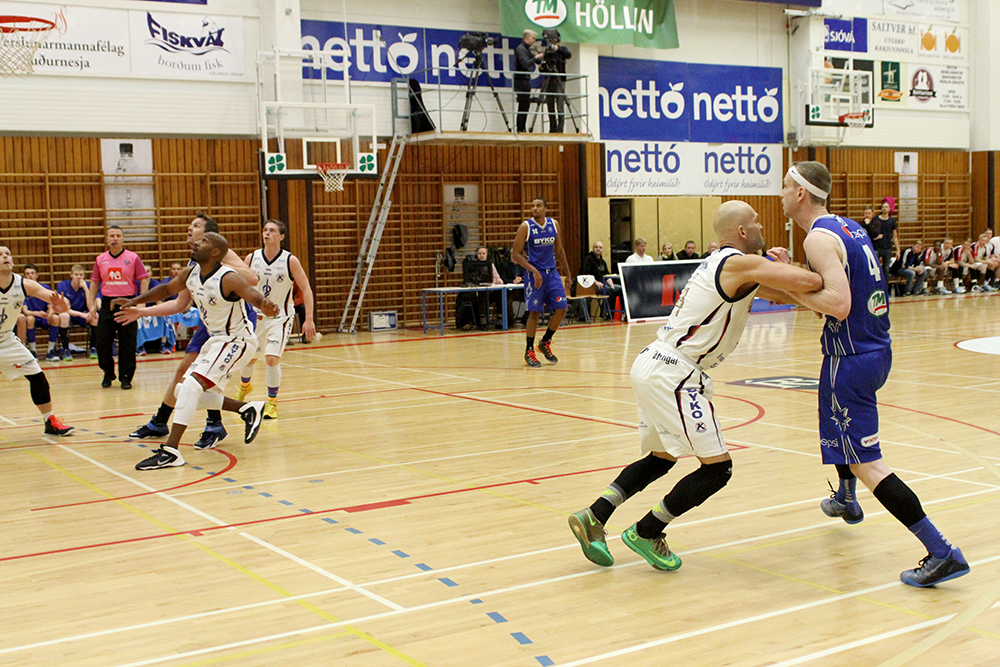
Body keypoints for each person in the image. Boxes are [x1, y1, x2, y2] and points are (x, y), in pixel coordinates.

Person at [567, 201, 823, 571]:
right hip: (676, 372)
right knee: (717, 469)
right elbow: (810, 282)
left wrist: (792, 282)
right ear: (741, 232)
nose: (761, 226)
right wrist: (787, 267)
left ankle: (595, 515)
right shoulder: (737, 261)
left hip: (654, 363)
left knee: (662, 457)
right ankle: (647, 530)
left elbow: (787, 294)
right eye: (755, 222)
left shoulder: (729, 265)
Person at [781, 160, 969, 587]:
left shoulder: (818, 239)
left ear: (800, 194)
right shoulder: (849, 227)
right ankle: (847, 499)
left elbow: (838, 303)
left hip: (851, 358)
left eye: (785, 186)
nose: (780, 193)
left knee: (870, 464)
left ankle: (942, 552)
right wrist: (794, 272)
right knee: (842, 436)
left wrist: (789, 283)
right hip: (874, 348)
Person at [114, 233, 275, 470]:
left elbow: (254, 295)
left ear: (215, 252)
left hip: (236, 341)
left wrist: (266, 306)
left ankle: (170, 451)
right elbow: (166, 289)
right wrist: (134, 301)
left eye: (204, 241)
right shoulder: (190, 273)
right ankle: (247, 408)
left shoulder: (228, 278)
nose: (197, 242)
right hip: (216, 341)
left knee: (190, 386)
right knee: (184, 390)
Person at [232, 220, 316, 419]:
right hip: (255, 317)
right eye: (265, 230)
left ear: (281, 237)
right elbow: (238, 286)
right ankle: (245, 387)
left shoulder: (290, 260)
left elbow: (306, 289)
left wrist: (309, 319)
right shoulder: (252, 258)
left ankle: (271, 403)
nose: (266, 233)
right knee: (249, 357)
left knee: (271, 359)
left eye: (272, 230)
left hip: (280, 317)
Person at [0, 246, 74, 436]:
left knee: (37, 376)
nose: (5, 257)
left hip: (6, 340)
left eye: (7, 253)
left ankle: (50, 421)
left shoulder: (23, 284)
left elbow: (59, 302)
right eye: (0, 255)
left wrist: (60, 305)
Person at [87, 225, 149, 390]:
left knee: (127, 343)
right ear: (107, 239)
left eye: (118, 236)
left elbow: (144, 279)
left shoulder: (133, 258)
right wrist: (91, 304)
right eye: (112, 236)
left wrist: (141, 302)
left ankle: (126, 377)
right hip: (107, 303)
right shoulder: (100, 259)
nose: (115, 238)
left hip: (127, 303)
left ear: (122, 239)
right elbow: (94, 283)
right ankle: (108, 373)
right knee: (103, 342)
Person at [512, 197, 570, 367]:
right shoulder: (526, 227)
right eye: (532, 206)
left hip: (552, 273)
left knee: (561, 308)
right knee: (535, 313)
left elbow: (559, 249)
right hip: (534, 274)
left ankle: (545, 342)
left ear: (546, 208)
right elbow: (515, 254)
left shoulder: (554, 224)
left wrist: (568, 273)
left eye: (538, 206)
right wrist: (534, 271)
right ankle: (529, 350)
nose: (534, 209)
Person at [55, 264, 98, 359]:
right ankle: (65, 349)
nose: (79, 277)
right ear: (71, 275)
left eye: (81, 275)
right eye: (76, 274)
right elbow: (64, 308)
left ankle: (93, 348)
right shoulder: (62, 286)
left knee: (95, 316)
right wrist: (82, 315)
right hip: (70, 313)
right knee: (63, 316)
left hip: (82, 313)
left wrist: (86, 290)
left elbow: (91, 306)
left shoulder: (88, 285)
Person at [20, 264, 61, 361]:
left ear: (37, 275)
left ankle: (50, 351)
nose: (30, 276)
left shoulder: (44, 287)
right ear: (24, 276)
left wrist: (50, 313)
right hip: (33, 316)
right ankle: (33, 352)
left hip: (43, 317)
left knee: (55, 318)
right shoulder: (22, 289)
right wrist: (37, 313)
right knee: (29, 319)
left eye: (32, 273)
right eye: (27, 274)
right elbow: (25, 311)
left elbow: (50, 305)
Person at [538, 29, 571, 133]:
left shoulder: (562, 49)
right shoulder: (547, 51)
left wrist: (557, 49)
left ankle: (560, 128)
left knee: (560, 105)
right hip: (549, 79)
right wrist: (542, 65)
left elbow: (568, 55)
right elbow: (543, 65)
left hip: (559, 79)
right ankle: (552, 127)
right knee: (550, 105)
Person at [514, 29, 542, 133]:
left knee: (525, 105)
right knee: (523, 104)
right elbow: (525, 63)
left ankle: (522, 127)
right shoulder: (521, 49)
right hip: (521, 80)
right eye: (533, 38)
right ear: (527, 37)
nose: (534, 40)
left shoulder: (527, 49)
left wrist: (542, 58)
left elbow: (536, 60)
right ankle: (520, 128)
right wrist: (536, 57)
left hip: (524, 80)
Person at [873, 199, 899, 278]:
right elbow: (871, 233)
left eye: (886, 207)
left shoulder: (892, 220)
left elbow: (895, 236)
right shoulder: (876, 219)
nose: (884, 208)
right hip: (877, 247)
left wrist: (898, 250)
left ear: (889, 208)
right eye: (883, 207)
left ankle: (886, 288)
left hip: (887, 248)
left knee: (886, 269)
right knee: (875, 268)